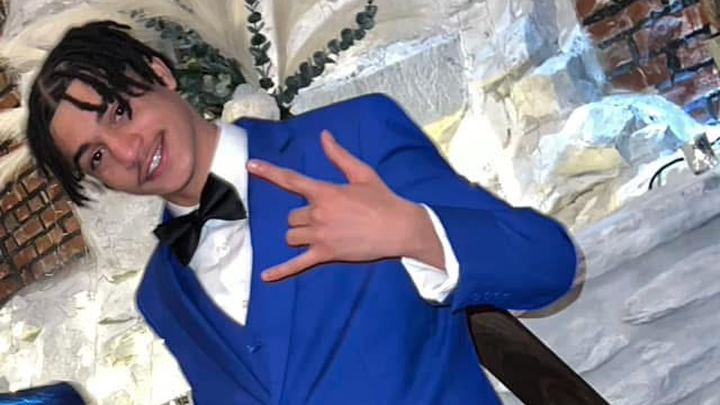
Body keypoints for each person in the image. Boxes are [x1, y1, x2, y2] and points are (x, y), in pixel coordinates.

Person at [26, 21, 577, 405]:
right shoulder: (160, 295)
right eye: (96, 157)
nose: (126, 153)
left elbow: (550, 266)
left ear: (159, 73)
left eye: (120, 112)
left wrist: (414, 232)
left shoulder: (352, 138)